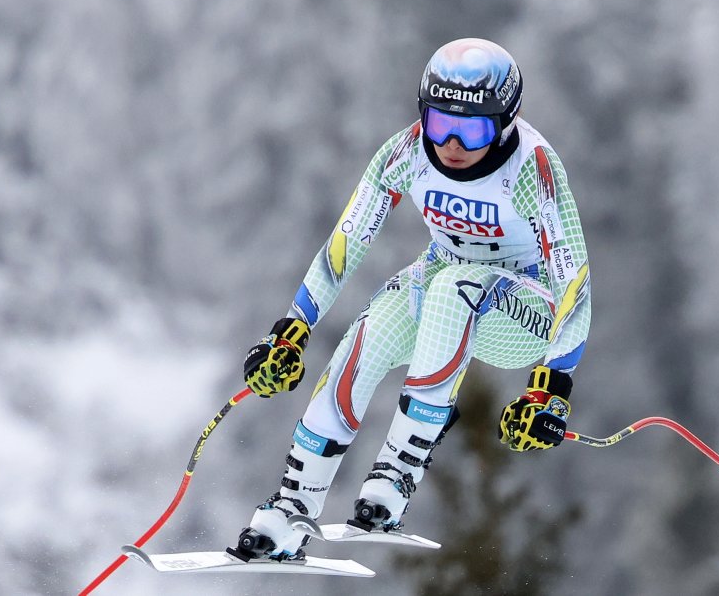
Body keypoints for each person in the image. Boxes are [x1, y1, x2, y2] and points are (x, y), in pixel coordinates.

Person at [228, 38, 592, 561]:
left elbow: (575, 286)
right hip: (444, 280)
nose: (452, 145)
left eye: (472, 130)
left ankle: (397, 474)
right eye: (439, 124)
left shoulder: (532, 168)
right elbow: (344, 246)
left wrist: (552, 386)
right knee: (370, 332)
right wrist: (291, 330)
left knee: (454, 287)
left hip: (526, 312)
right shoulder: (407, 152)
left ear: (505, 123)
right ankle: (292, 507)